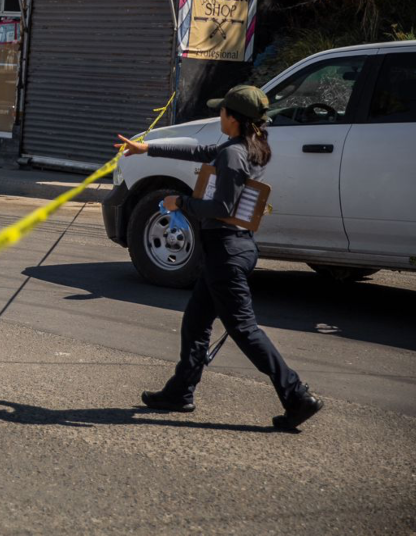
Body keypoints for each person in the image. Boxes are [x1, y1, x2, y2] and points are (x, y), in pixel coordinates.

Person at [116, 85, 323, 432]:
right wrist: (146, 148)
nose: (219, 116)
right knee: (196, 322)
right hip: (230, 249)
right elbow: (199, 150)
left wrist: (178, 203)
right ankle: (181, 392)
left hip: (226, 251)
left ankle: (296, 395)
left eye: (223, 112)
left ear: (234, 118)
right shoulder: (247, 148)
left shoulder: (232, 155)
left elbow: (222, 207)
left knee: (244, 330)